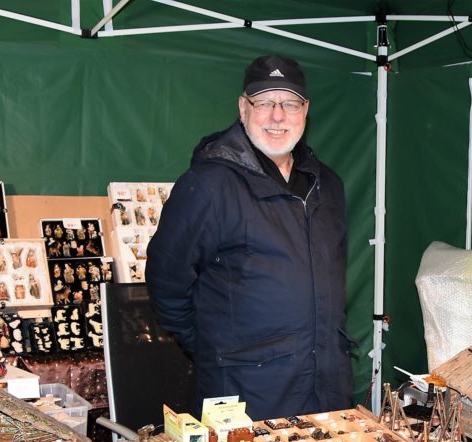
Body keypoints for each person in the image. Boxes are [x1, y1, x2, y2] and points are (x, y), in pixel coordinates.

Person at [147, 55, 352, 421]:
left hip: (328, 390)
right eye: (264, 102)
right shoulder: (208, 185)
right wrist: (215, 350)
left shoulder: (327, 186)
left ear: (305, 110)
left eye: (289, 103)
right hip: (246, 396)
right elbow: (167, 283)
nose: (278, 115)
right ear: (244, 108)